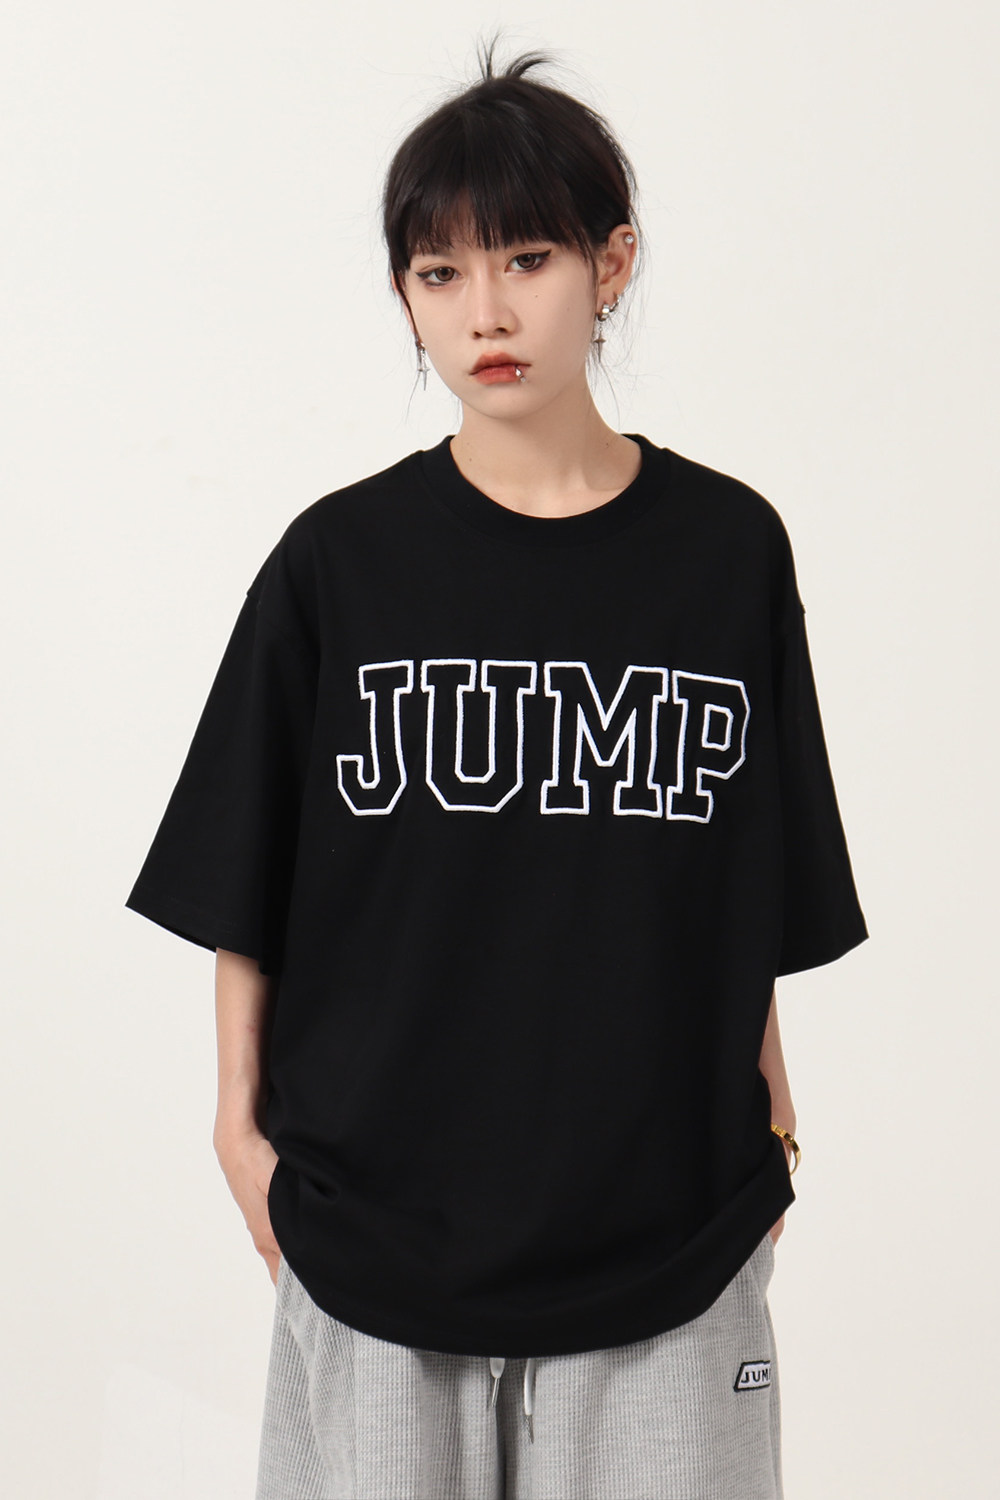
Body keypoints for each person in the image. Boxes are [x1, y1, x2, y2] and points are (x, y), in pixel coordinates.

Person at [124, 32, 868, 1500]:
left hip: (669, 1227)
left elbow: (742, 873)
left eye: (527, 258)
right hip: (375, 1227)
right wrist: (236, 1129)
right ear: (405, 296)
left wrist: (771, 1119)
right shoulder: (338, 564)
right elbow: (243, 877)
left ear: (612, 261)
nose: (487, 312)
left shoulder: (727, 553)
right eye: (439, 273)